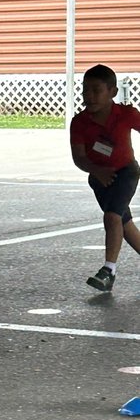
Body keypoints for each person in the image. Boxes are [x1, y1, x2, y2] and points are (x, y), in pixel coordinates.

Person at [69, 63, 140, 292]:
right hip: (100, 179)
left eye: (96, 90)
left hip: (126, 172)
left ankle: (108, 271)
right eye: (85, 90)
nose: (89, 95)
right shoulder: (79, 122)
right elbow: (79, 157)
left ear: (112, 92)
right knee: (124, 225)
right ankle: (109, 269)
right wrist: (96, 171)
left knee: (112, 218)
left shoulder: (127, 114)